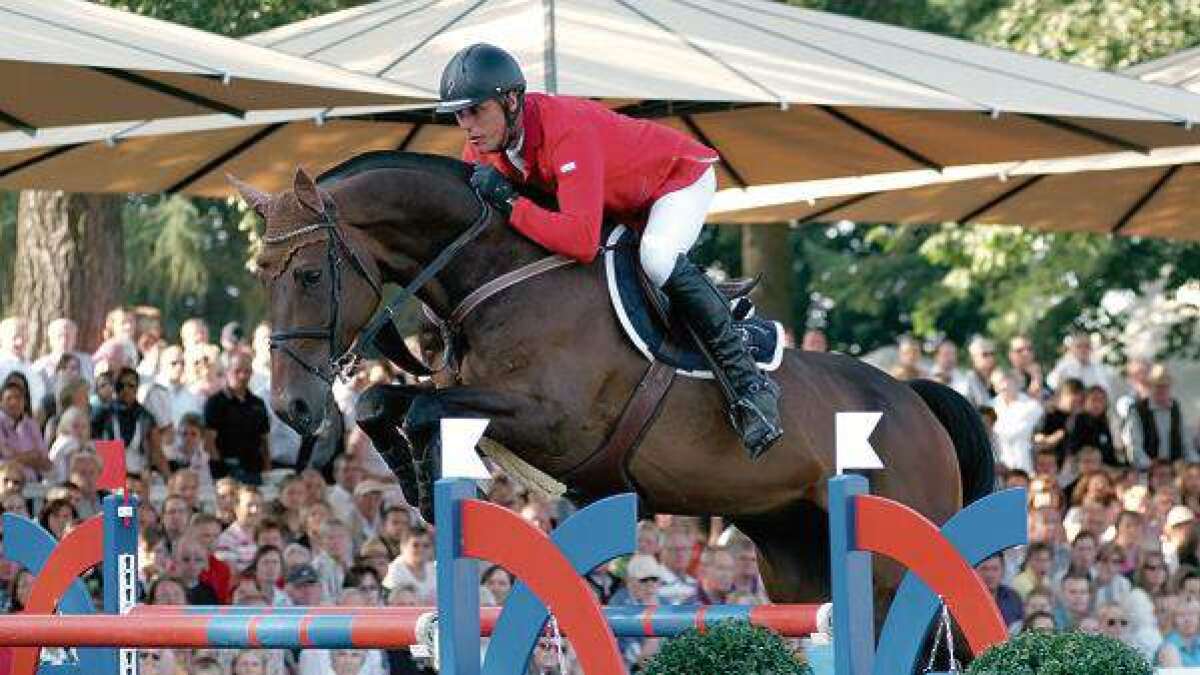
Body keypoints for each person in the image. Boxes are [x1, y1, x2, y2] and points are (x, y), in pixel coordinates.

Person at [439, 43, 780, 458]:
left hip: (675, 182)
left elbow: (580, 241)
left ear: (511, 100)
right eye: (459, 115)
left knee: (656, 259)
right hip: (619, 204)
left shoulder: (565, 128)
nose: (468, 126)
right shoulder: (481, 151)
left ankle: (750, 386)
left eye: (476, 111)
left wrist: (512, 205)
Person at [203, 352, 270, 485]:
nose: (242, 376)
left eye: (247, 371)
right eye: (237, 371)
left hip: (254, 471)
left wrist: (268, 467)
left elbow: (264, 440)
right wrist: (221, 470)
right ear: (227, 372)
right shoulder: (215, 402)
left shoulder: (258, 403)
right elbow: (209, 441)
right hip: (226, 472)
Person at [1125, 364, 1198, 469]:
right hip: (1147, 470)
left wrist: (1194, 463)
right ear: (1150, 387)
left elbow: (1186, 442)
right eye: (1158, 386)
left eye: (1165, 386)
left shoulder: (1175, 408)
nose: (1162, 390)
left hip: (1174, 468)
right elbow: (1135, 447)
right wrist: (1150, 466)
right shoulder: (1137, 410)